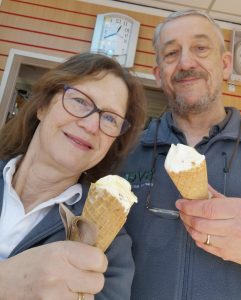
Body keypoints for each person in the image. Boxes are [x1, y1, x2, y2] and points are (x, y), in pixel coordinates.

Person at [121, 9, 241, 300]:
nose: (186, 62)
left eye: (200, 48)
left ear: (224, 65)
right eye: (171, 53)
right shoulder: (121, 155)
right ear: (159, 75)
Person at [0, 52, 146, 300]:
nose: (90, 125)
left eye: (110, 118)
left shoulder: (110, 245)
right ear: (43, 106)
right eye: (80, 101)